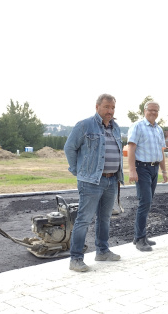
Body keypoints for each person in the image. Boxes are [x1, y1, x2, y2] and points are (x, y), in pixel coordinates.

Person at [64, 93, 124, 272]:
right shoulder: (84, 125)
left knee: (104, 219)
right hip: (91, 182)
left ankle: (102, 251)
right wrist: (78, 170)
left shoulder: (116, 127)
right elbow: (69, 148)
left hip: (111, 180)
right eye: (106, 107)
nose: (110, 111)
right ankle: (75, 259)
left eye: (112, 108)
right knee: (84, 219)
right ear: (97, 107)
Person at [127, 100, 168, 252]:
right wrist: (132, 170)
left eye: (156, 111)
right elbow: (131, 148)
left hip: (154, 168)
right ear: (144, 111)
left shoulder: (159, 129)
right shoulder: (137, 126)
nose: (153, 113)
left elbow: (161, 151)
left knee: (147, 203)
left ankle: (140, 236)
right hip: (141, 168)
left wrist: (164, 171)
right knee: (144, 202)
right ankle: (140, 239)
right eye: (150, 110)